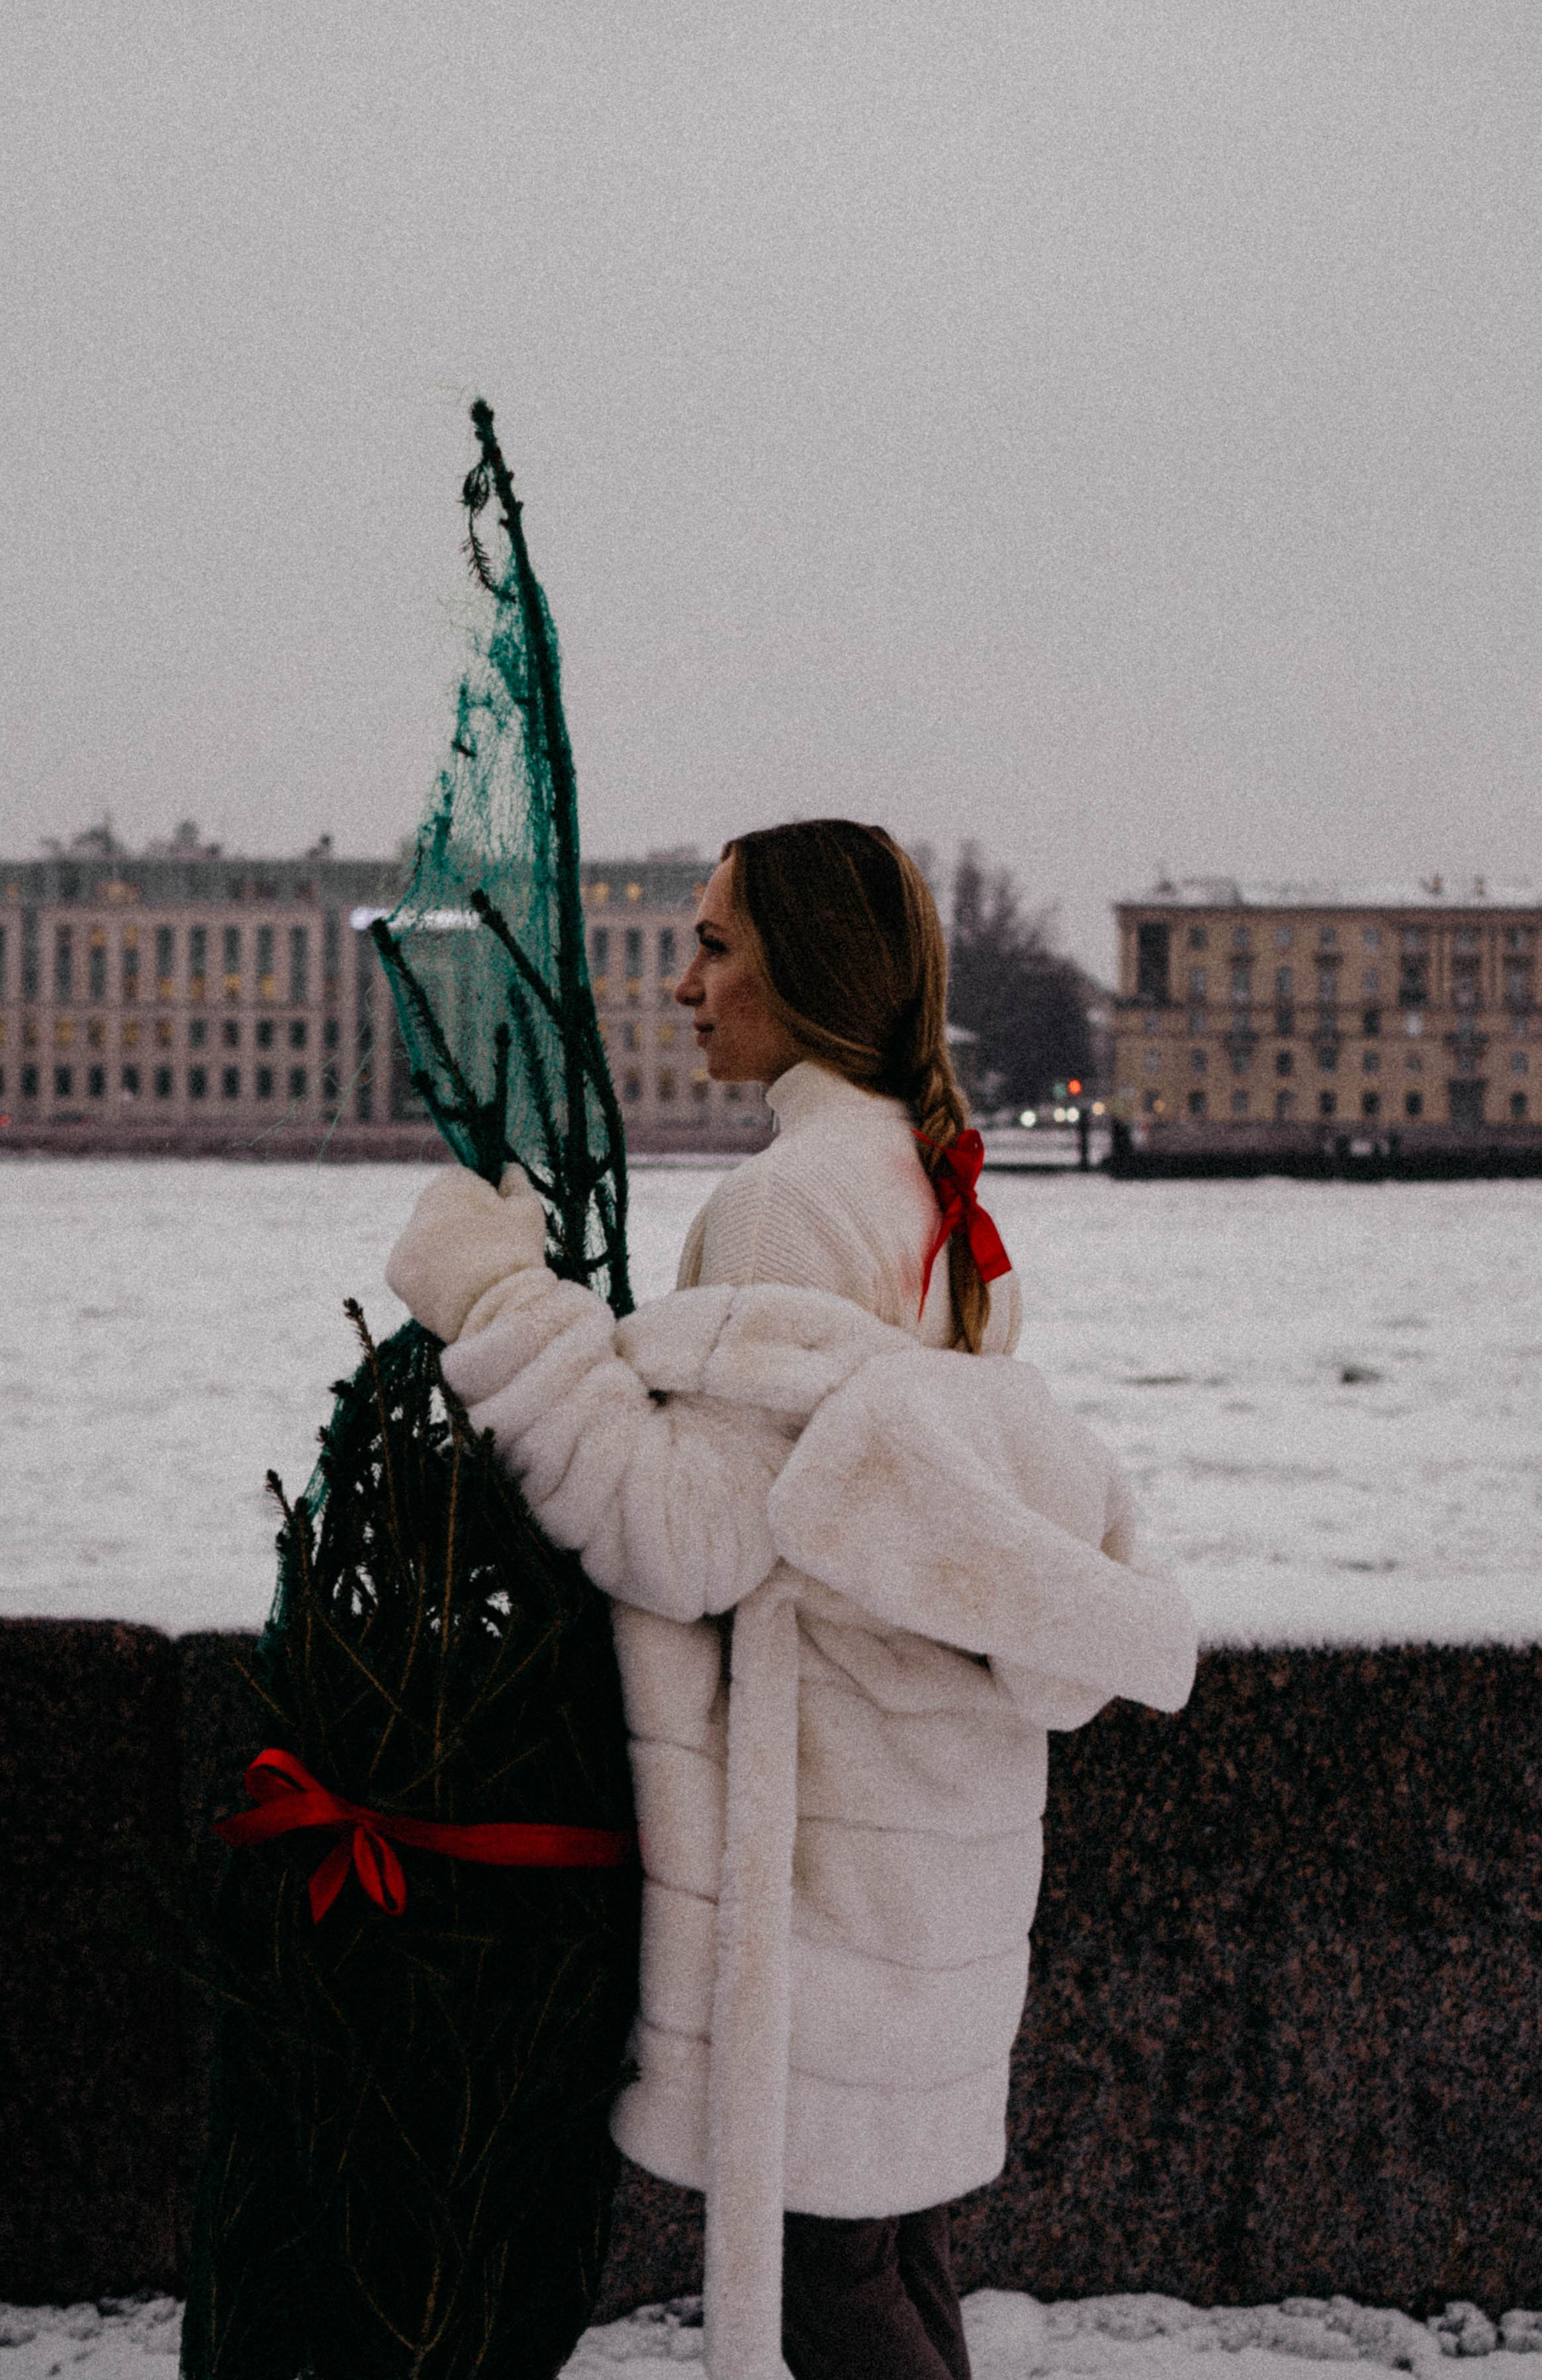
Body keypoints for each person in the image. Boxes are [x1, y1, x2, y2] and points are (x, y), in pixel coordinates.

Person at [386, 820, 1196, 2380]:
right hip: (939, 1831)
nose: (678, 981)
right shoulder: (939, 1197)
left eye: (713, 945)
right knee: (893, 2255)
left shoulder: (785, 1204)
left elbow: (690, 1535)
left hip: (815, 1841)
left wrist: (499, 1305)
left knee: (833, 2281)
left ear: (805, 975)